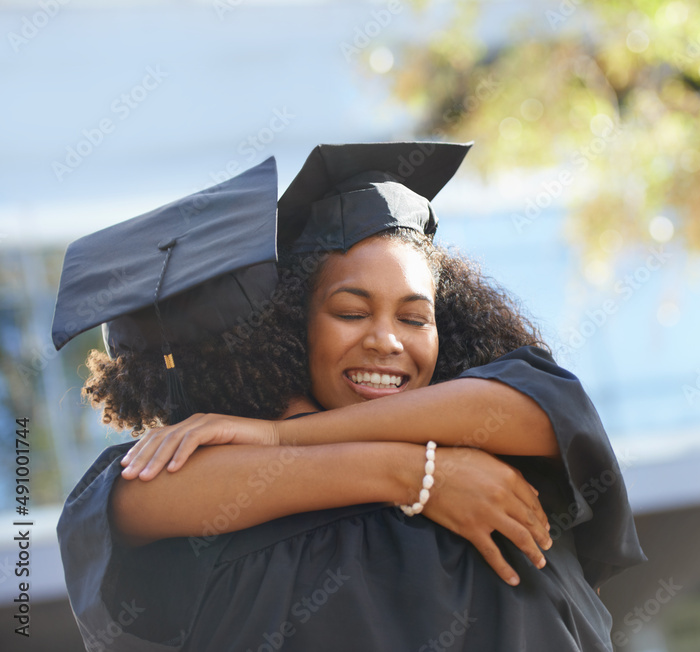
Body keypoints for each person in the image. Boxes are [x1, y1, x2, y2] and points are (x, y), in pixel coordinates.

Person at [55, 143, 645, 651]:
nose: (385, 340)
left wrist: (288, 434)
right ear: (289, 330)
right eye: (350, 312)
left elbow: (533, 412)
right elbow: (139, 495)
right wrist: (417, 474)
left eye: (417, 319)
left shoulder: (508, 441)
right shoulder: (210, 498)